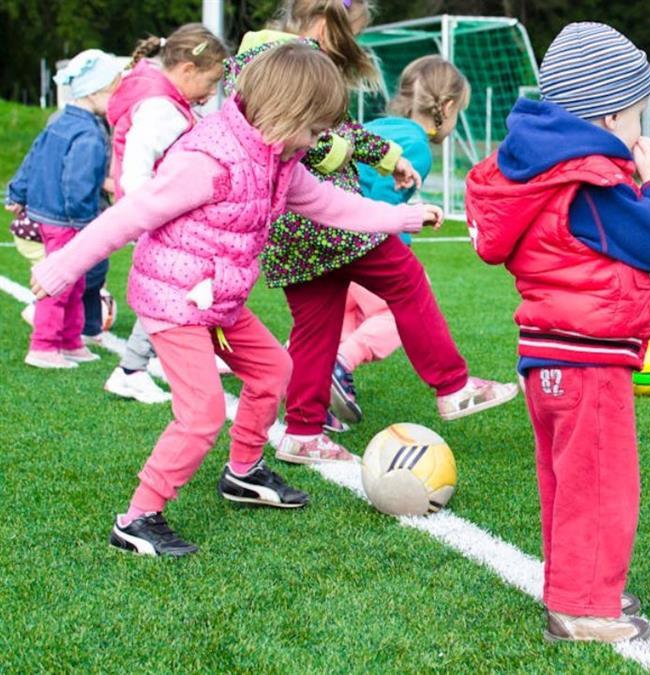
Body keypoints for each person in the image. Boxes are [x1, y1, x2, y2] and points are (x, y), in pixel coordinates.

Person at [30, 44, 444, 557]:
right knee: (202, 413)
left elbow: (327, 204)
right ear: (286, 113)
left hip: (218, 301)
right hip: (174, 301)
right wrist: (62, 267)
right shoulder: (208, 160)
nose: (319, 142)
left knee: (275, 370)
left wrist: (401, 217)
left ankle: (243, 473)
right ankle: (137, 518)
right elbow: (130, 215)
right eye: (315, 130)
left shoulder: (280, 157)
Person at [226, 0, 517, 464]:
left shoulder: (253, 61)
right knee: (406, 280)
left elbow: (335, 128)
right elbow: (314, 137)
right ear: (324, 24)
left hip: (287, 228)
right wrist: (353, 156)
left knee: (316, 327)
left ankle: (302, 432)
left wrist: (388, 158)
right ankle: (453, 385)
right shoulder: (296, 62)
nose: (350, 49)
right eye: (350, 35)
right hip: (327, 218)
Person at [465, 22, 650, 642]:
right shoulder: (591, 180)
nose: (642, 131)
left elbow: (576, 258)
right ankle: (583, 607)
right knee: (599, 484)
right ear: (611, 115)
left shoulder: (546, 172)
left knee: (568, 482)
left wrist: (640, 298)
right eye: (640, 115)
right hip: (586, 364)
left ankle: (577, 586)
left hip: (551, 355)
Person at [329, 55, 471, 429]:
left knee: (339, 319)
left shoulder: (376, 127)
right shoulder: (418, 148)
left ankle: (314, 392)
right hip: (362, 245)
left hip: (327, 239)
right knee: (395, 315)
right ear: (448, 107)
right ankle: (340, 363)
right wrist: (407, 222)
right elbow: (380, 203)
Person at [102, 23, 230, 405]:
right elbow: (137, 170)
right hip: (158, 217)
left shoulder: (165, 100)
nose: (210, 96)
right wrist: (152, 215)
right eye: (210, 83)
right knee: (170, 291)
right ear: (187, 71)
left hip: (160, 214)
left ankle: (159, 359)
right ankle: (130, 369)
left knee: (185, 286)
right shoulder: (161, 109)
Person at [5, 49, 124, 369]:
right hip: (67, 220)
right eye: (115, 90)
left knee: (76, 281)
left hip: (51, 214)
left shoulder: (61, 121)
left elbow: (32, 156)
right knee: (60, 281)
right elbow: (78, 182)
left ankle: (70, 341)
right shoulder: (88, 133)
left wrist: (16, 191)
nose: (118, 98)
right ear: (96, 92)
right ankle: (43, 346)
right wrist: (86, 223)